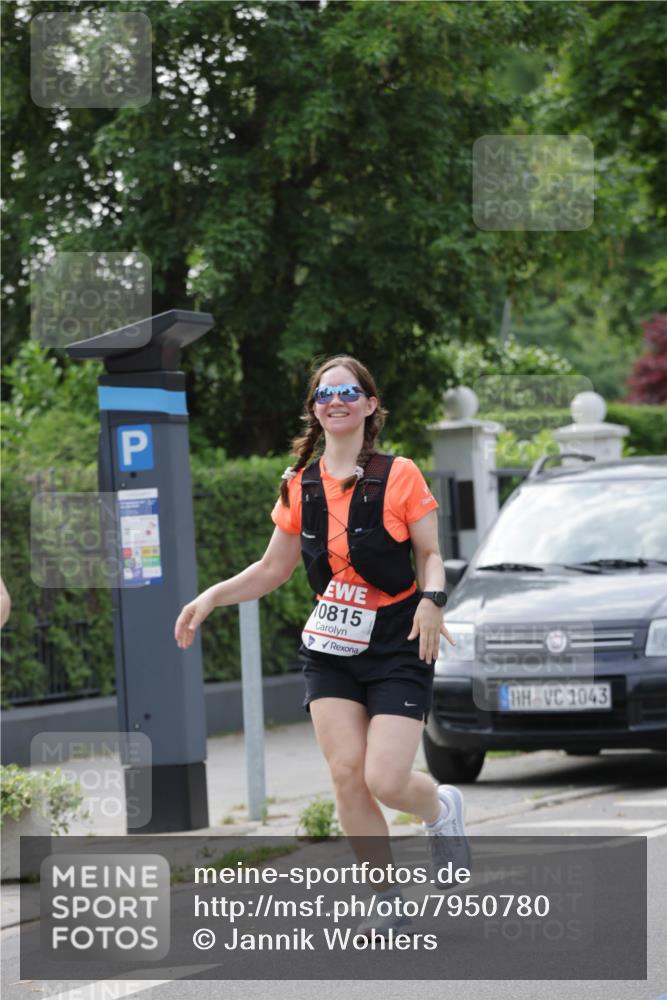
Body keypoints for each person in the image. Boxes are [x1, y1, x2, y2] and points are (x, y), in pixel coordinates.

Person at [175, 355, 470, 937]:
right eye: (324, 394)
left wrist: (433, 600)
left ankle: (440, 811)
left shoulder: (399, 474)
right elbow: (272, 569)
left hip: (399, 637)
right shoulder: (299, 484)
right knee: (345, 774)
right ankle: (386, 898)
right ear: (314, 408)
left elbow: (429, 554)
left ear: (369, 404)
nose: (335, 401)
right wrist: (211, 595)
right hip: (331, 643)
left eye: (348, 392)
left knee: (386, 778)